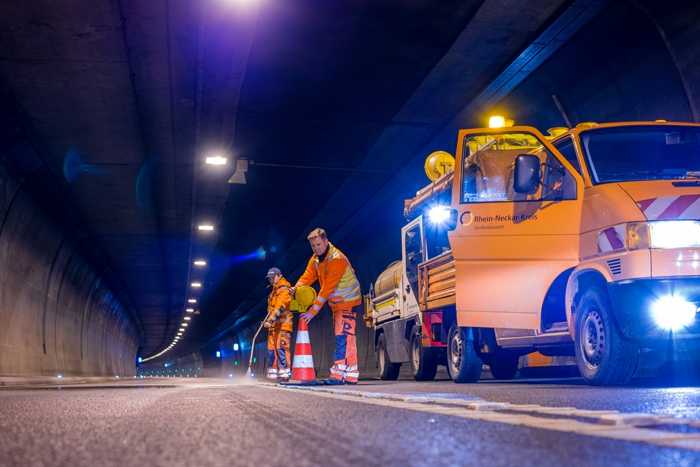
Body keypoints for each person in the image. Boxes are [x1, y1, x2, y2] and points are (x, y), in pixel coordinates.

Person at [293, 228, 361, 384]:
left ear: (325, 241)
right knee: (343, 337)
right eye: (313, 246)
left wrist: (312, 312)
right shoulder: (316, 259)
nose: (316, 248)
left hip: (348, 301)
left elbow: (326, 290)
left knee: (343, 337)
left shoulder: (337, 259)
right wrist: (296, 288)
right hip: (337, 304)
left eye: (318, 244)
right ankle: (349, 374)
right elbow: (307, 276)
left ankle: (339, 374)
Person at [264, 267, 293, 381]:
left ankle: (285, 374)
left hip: (283, 325)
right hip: (274, 327)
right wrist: (269, 321)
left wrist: (270, 320)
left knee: (282, 348)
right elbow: (272, 309)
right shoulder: (274, 292)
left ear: (279, 275)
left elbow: (280, 307)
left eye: (272, 277)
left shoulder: (284, 289)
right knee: (272, 350)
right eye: (269, 278)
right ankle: (273, 374)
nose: (270, 280)